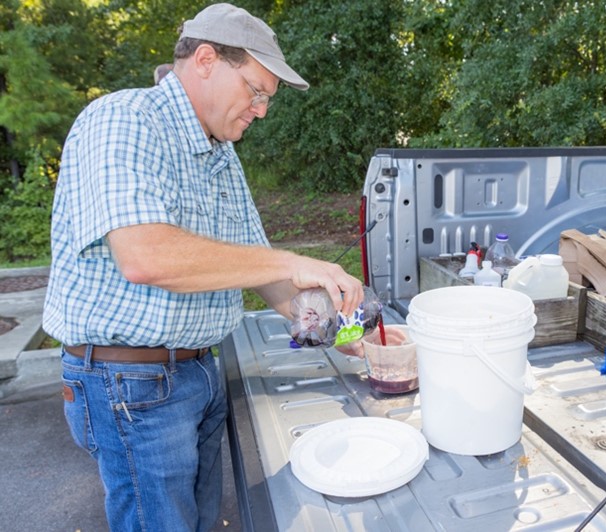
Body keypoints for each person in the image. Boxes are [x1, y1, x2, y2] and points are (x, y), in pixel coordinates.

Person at [42, 3, 364, 531]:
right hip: (129, 382)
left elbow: (263, 272)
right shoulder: (123, 119)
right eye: (256, 91)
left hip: (195, 374)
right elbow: (147, 256)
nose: (261, 110)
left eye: (267, 99)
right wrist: (294, 258)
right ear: (208, 59)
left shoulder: (219, 152)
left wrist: (350, 336)